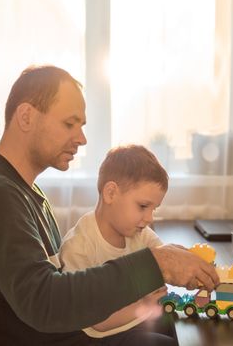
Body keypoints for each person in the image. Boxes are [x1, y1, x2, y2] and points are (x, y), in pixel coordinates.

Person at [0, 65, 233, 346]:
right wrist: (156, 264)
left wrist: (196, 274)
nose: (81, 138)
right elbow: (44, 301)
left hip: (64, 333)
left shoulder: (22, 190)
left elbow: (65, 288)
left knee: (184, 323)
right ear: (26, 117)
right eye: (70, 123)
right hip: (53, 338)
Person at [59, 145, 172, 342]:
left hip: (136, 323)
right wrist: (144, 305)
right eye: (143, 206)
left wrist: (228, 277)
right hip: (98, 336)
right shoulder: (78, 247)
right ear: (111, 193)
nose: (149, 218)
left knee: (188, 328)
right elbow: (96, 321)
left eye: (154, 209)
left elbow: (172, 259)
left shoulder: (139, 233)